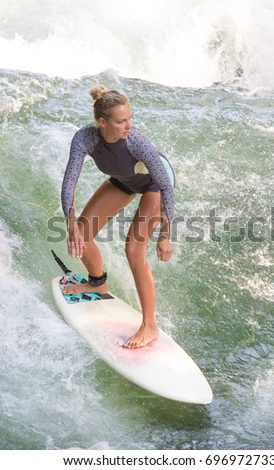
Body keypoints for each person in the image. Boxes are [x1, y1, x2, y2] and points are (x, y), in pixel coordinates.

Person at [61, 84, 174, 349]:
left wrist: (165, 236)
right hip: (122, 181)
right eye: (121, 121)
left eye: (130, 118)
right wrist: (71, 227)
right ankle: (98, 283)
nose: (129, 125)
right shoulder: (85, 139)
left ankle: (150, 326)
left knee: (134, 249)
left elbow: (166, 185)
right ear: (102, 122)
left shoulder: (137, 142)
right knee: (82, 234)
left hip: (153, 186)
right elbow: (69, 185)